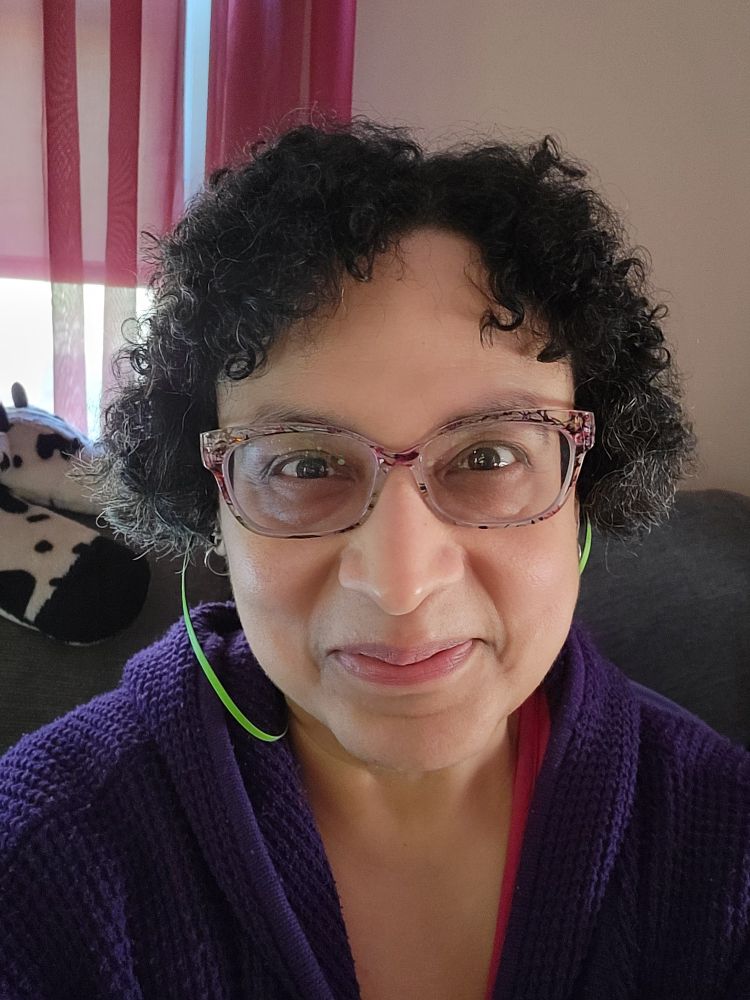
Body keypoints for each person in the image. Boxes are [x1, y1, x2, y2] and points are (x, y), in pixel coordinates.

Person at [1, 119, 748, 1000]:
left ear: (588, 480)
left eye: (489, 457)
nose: (401, 584)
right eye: (306, 465)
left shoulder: (723, 846)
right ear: (214, 506)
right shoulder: (39, 862)